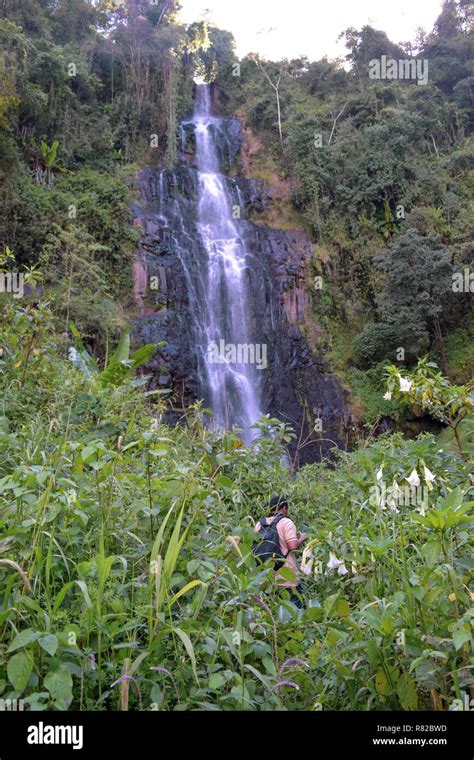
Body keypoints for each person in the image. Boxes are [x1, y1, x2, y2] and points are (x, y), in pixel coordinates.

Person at [254, 496, 308, 607]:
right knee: (294, 610)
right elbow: (293, 546)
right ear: (284, 508)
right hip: (287, 577)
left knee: (271, 611)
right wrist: (302, 538)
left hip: (265, 578)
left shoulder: (259, 524)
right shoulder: (286, 522)